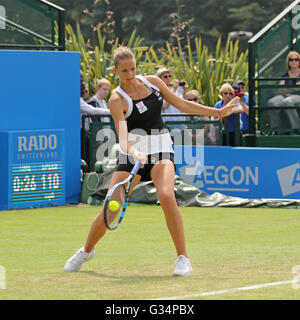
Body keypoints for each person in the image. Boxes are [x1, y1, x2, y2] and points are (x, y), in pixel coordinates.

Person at [64, 46, 240, 276]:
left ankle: (182, 258)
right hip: (133, 154)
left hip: (161, 147)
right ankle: (86, 251)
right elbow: (123, 139)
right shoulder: (117, 99)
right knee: (110, 209)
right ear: (116, 70)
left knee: (166, 195)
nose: (130, 74)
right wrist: (135, 154)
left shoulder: (153, 82)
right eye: (124, 70)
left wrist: (217, 113)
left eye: (133, 68)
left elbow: (182, 103)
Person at [267, 51, 300, 133]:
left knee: (287, 101)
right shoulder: (285, 74)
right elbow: (280, 89)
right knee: (271, 102)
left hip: (297, 96)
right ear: (288, 62)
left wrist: (288, 88)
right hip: (284, 95)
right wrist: (294, 87)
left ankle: (296, 128)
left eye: (296, 59)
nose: (294, 61)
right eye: (291, 59)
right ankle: (276, 129)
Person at [80, 80, 111, 166]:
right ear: (98, 88)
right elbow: (93, 115)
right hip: (93, 136)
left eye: (108, 90)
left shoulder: (104, 102)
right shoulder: (93, 101)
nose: (106, 92)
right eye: (104, 89)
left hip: (105, 134)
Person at [157, 67, 188, 132]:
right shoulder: (157, 93)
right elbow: (165, 106)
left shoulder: (175, 91)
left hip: (181, 126)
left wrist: (184, 91)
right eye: (165, 77)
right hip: (168, 127)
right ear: (159, 79)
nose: (168, 78)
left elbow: (184, 105)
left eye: (169, 76)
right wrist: (174, 90)